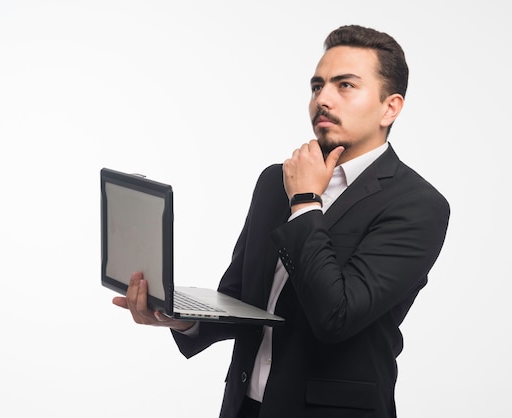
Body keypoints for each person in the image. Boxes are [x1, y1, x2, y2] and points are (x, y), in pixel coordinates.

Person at [113, 24, 450, 418]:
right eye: (317, 86)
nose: (322, 99)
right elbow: (241, 300)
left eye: (345, 86)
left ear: (389, 107)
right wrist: (181, 318)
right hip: (245, 409)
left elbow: (336, 317)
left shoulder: (417, 205)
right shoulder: (276, 180)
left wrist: (305, 202)